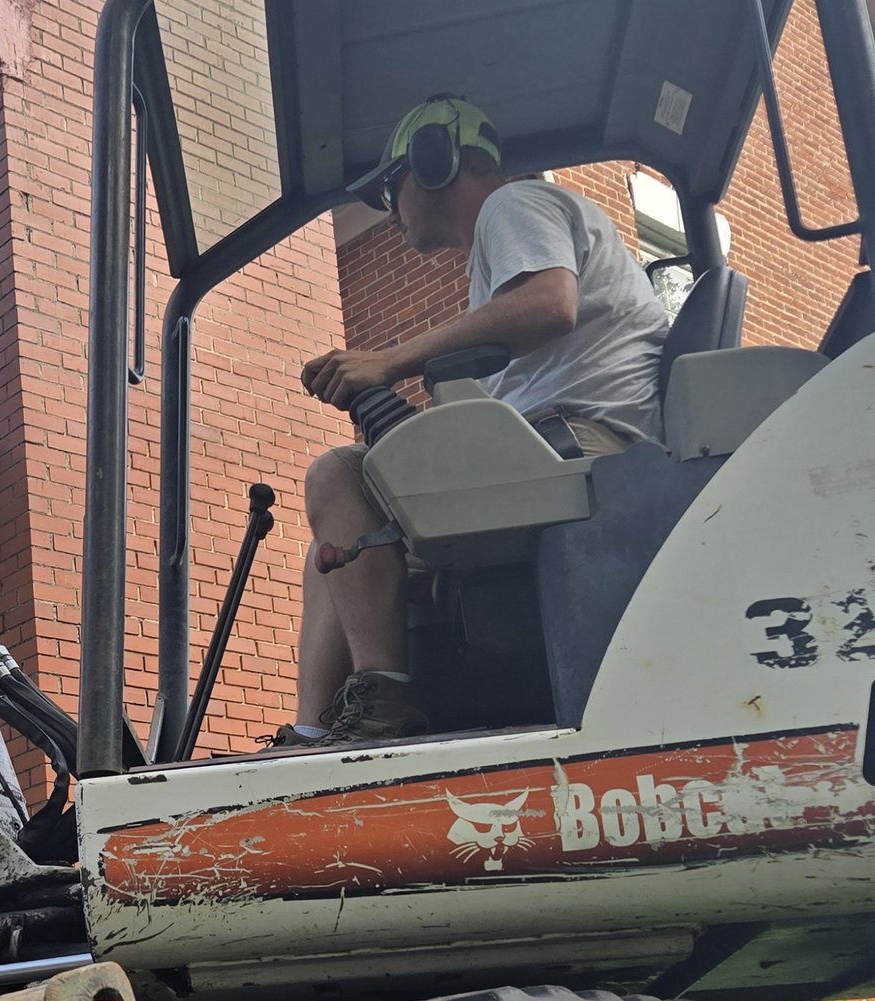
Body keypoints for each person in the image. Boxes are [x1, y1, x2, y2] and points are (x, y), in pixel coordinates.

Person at [276, 94, 671, 750]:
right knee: (334, 538)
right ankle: (311, 733)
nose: (388, 210)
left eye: (388, 188)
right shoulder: (497, 259)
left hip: (583, 447)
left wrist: (388, 361)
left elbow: (551, 304)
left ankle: (383, 696)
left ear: (433, 161)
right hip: (554, 444)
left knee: (337, 473)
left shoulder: (513, 208)